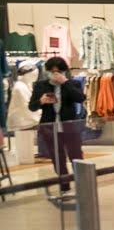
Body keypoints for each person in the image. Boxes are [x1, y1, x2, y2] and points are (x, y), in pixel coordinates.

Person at [29, 57, 86, 193]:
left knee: (76, 155)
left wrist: (65, 82)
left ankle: (82, 183)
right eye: (51, 71)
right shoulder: (40, 86)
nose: (55, 74)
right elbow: (31, 107)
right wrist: (41, 101)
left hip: (70, 126)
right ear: (47, 71)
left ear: (64, 71)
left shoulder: (72, 84)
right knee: (57, 158)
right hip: (49, 127)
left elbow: (80, 98)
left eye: (58, 71)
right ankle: (64, 185)